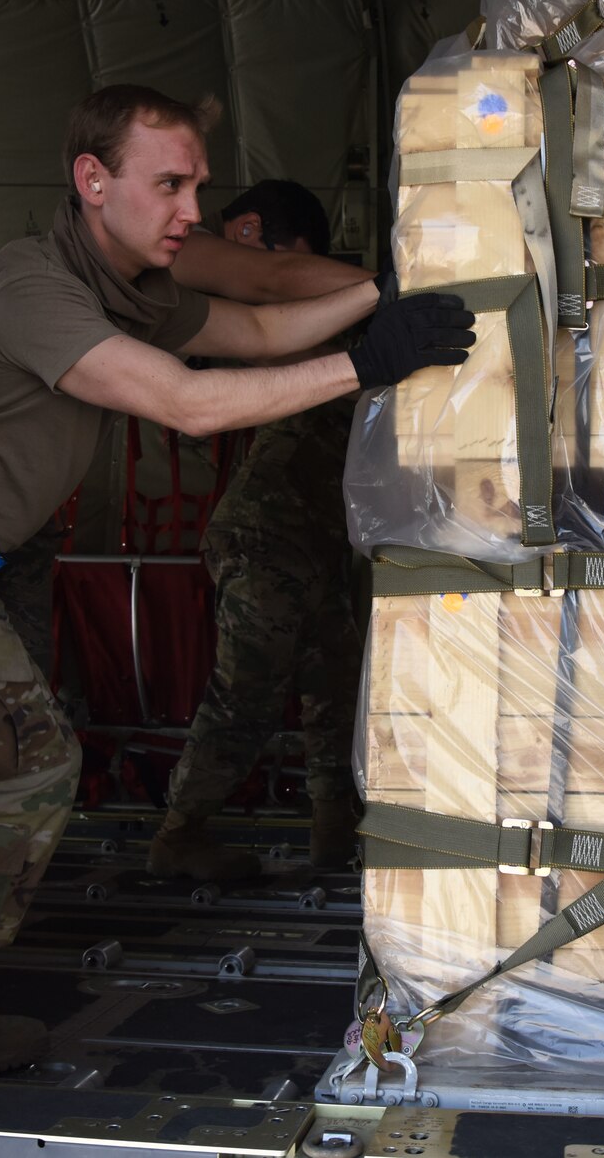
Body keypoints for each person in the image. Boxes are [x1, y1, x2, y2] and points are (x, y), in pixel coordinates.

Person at [0, 85, 473, 1077]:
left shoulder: (138, 288)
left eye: (195, 182)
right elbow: (188, 403)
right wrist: (367, 363)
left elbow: (262, 328)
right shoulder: (32, 287)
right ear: (92, 180)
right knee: (22, 766)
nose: (191, 208)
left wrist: (385, 296)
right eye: (169, 184)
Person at [146, 180, 368, 882]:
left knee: (336, 689)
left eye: (248, 236)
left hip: (324, 544)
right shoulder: (299, 315)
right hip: (267, 536)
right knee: (247, 689)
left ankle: (337, 836)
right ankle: (181, 832)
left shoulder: (337, 312)